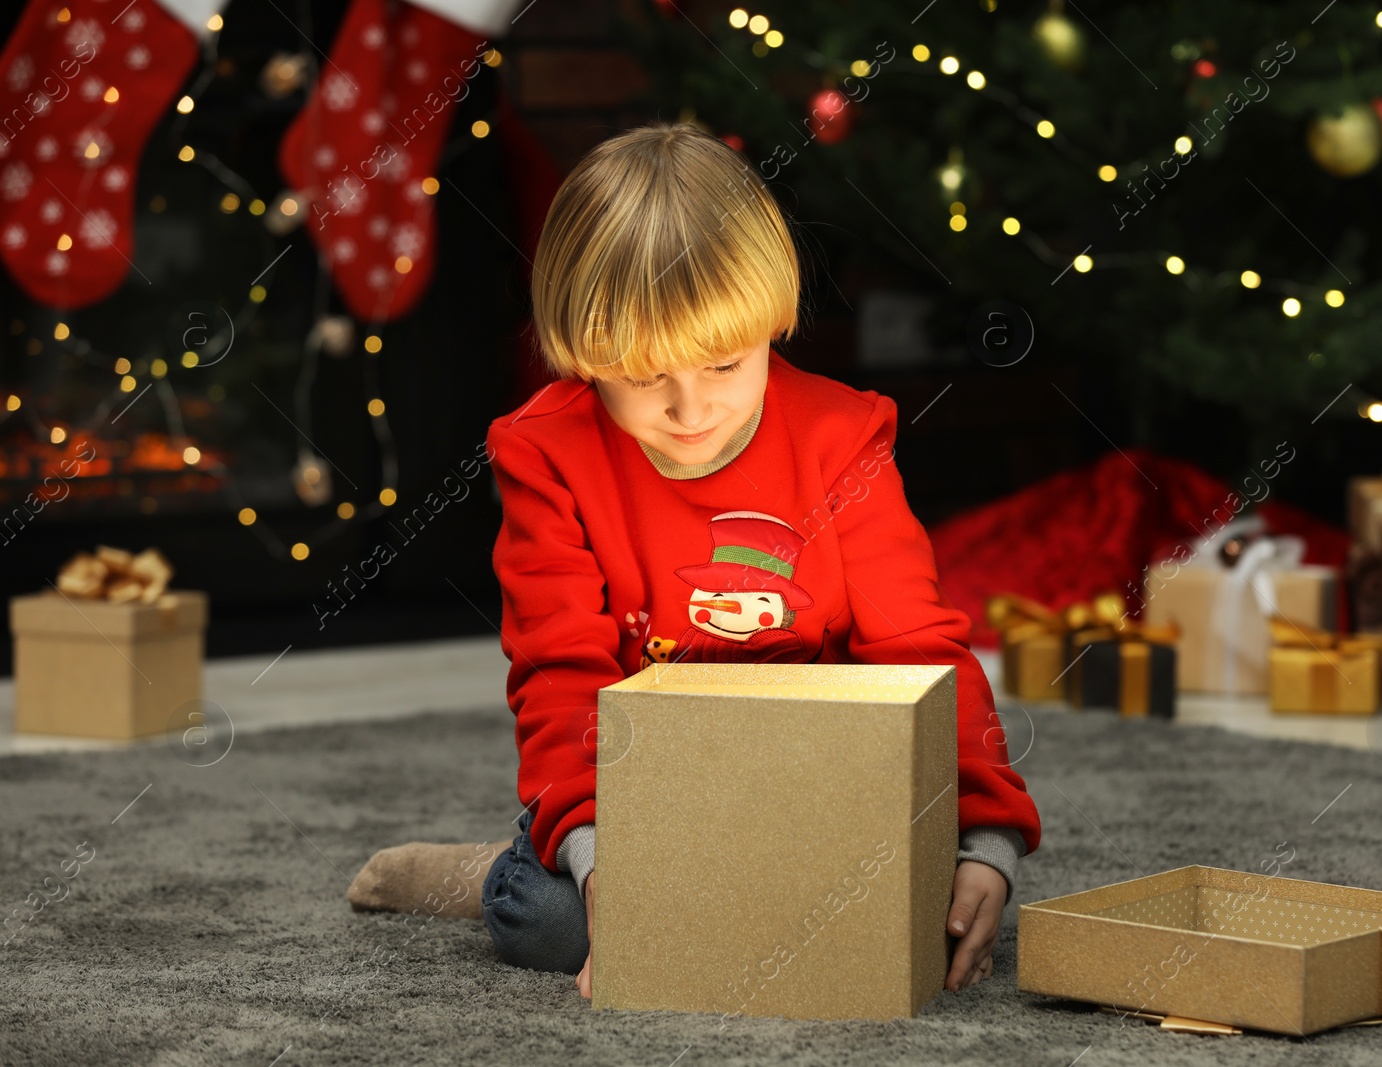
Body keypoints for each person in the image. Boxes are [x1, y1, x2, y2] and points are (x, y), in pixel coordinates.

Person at [356, 121, 1041, 1000]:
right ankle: (495, 873)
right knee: (555, 924)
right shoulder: (547, 451)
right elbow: (559, 671)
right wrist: (600, 859)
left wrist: (986, 839)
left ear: (770, 322)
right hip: (646, 796)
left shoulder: (842, 437)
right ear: (584, 352)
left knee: (923, 908)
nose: (690, 409)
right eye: (643, 376)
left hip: (821, 784)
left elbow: (922, 651)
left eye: (724, 361)